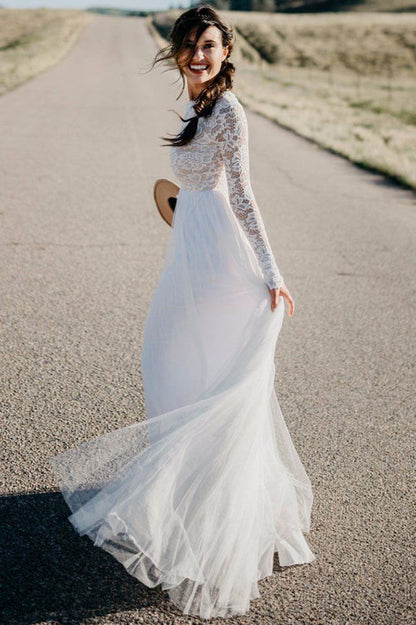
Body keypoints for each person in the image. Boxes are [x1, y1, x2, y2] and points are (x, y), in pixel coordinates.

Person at [49, 5, 316, 620]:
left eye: (210, 46)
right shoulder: (198, 107)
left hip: (222, 263)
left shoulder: (229, 111)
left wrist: (273, 274)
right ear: (177, 51)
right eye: (190, 44)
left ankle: (217, 510)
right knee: (170, 363)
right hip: (191, 255)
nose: (199, 54)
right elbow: (192, 193)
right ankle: (193, 494)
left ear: (226, 53)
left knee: (205, 373)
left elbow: (243, 194)